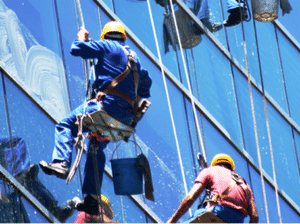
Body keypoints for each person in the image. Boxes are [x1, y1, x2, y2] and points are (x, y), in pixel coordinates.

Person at [39, 21, 152, 214]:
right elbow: (145, 85)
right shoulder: (135, 59)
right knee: (96, 146)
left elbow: (76, 49)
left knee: (65, 126)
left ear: (106, 36)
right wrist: (132, 105)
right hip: (123, 117)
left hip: (105, 105)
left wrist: (82, 38)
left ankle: (61, 163)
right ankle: (92, 199)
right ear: (123, 37)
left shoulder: (107, 45)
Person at [0, 136, 79, 223]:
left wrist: (21, 172)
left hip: (9, 190)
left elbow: (18, 141)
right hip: (6, 198)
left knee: (29, 178)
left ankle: (54, 211)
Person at [167, 153, 259, 223]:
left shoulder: (210, 171)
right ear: (231, 167)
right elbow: (254, 216)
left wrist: (172, 221)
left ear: (215, 164)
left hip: (218, 212)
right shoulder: (244, 185)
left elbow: (190, 198)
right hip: (238, 220)